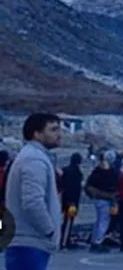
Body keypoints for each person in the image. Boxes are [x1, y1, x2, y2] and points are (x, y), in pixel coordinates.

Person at [4, 113, 62, 270]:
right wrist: (49, 230)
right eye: (53, 130)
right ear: (37, 134)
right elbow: (32, 202)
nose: (59, 134)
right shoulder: (34, 159)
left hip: (27, 241)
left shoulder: (33, 156)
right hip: (29, 242)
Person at [85, 151, 119, 253]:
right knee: (103, 221)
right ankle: (97, 242)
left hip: (96, 198)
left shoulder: (97, 170)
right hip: (105, 199)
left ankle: (94, 241)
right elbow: (114, 186)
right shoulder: (111, 172)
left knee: (99, 220)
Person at [58, 153, 83, 250]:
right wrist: (71, 201)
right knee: (68, 221)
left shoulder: (66, 170)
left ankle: (65, 240)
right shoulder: (74, 172)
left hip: (67, 199)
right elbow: (71, 187)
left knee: (68, 221)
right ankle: (64, 242)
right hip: (71, 200)